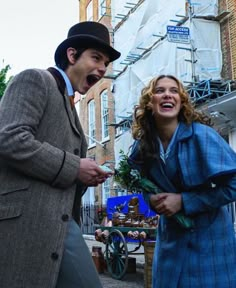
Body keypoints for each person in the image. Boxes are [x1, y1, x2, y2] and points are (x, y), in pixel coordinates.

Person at [0, 21, 121, 288]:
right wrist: (74, 167)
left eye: (106, 64)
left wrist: (84, 175)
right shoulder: (35, 78)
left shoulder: (67, 102)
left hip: (60, 225)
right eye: (96, 58)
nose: (102, 69)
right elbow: (8, 138)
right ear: (72, 55)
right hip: (29, 225)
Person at [128, 75, 236, 287]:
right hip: (170, 242)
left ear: (181, 101)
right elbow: (142, 183)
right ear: (150, 103)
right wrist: (151, 199)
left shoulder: (202, 136)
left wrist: (185, 201)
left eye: (174, 91)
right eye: (159, 91)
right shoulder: (143, 147)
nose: (167, 94)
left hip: (209, 245)